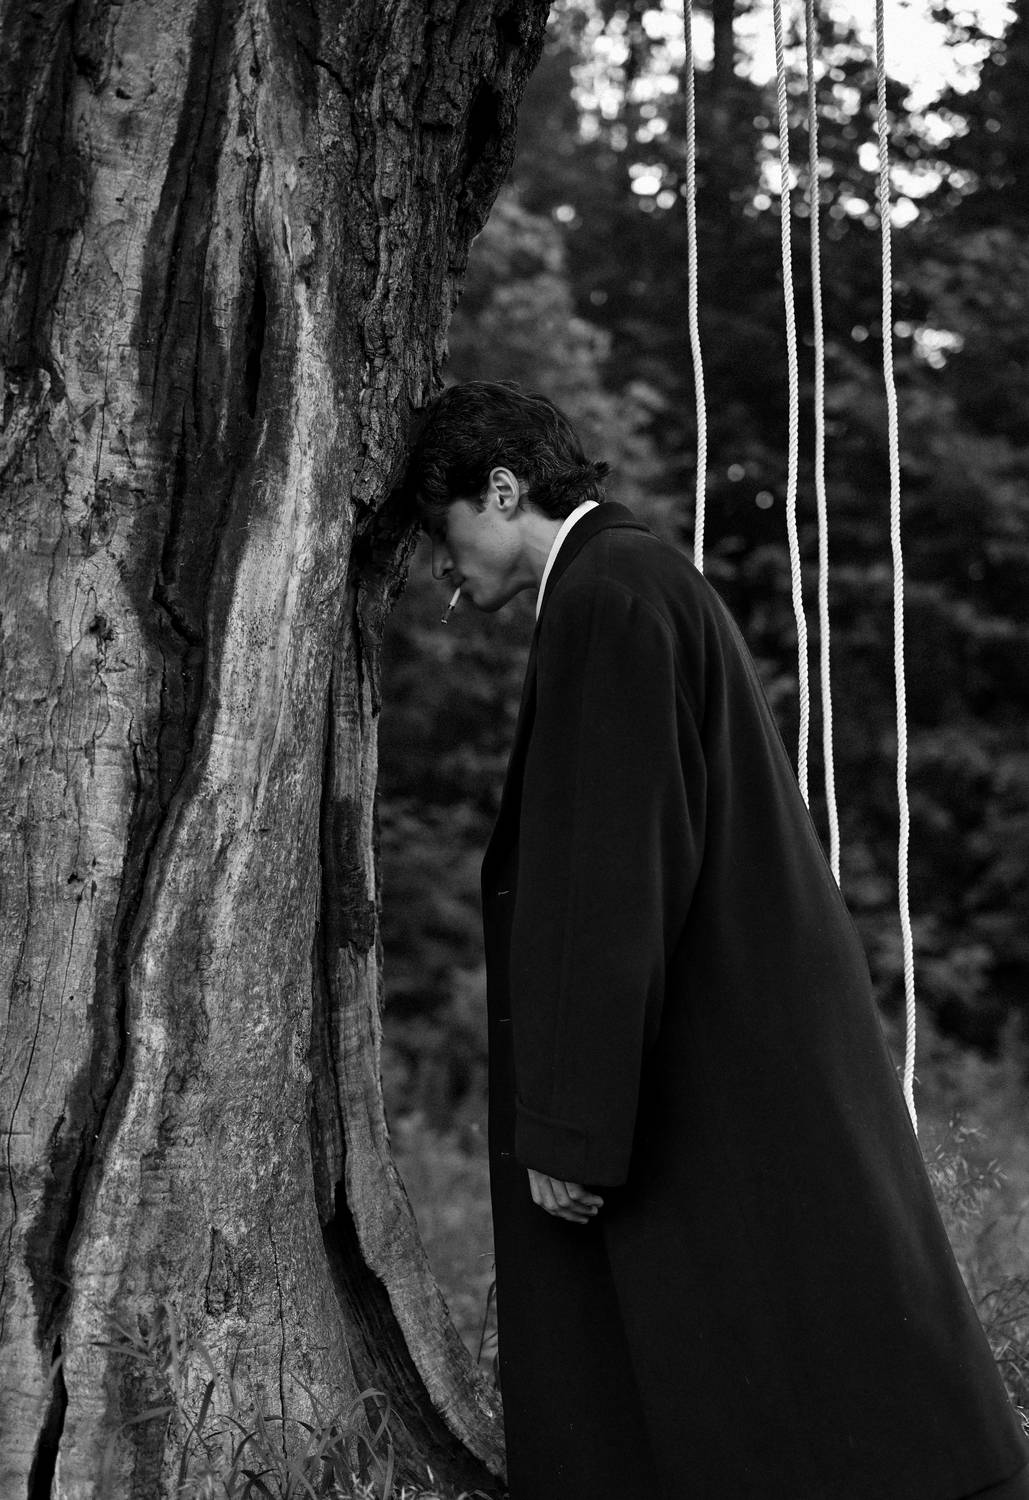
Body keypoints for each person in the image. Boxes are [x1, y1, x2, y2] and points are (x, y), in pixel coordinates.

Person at [404, 380, 1029, 1500]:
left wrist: (572, 1128)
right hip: (733, 1040)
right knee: (785, 1351)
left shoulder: (608, 597)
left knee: (763, 1361)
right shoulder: (636, 581)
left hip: (708, 1057)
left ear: (500, 489)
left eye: (438, 529)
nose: (438, 569)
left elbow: (612, 876)